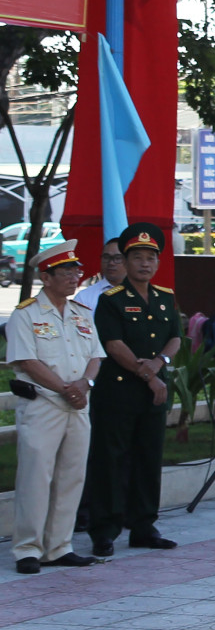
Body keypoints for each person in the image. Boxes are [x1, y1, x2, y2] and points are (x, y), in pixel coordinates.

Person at [86, 223, 180, 557]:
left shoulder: (165, 297)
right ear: (125, 262)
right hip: (119, 391)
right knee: (110, 459)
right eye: (137, 257)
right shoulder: (111, 300)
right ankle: (105, 529)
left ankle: (143, 526)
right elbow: (112, 344)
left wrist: (160, 363)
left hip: (152, 394)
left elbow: (175, 337)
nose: (145, 264)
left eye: (150, 258)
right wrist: (148, 374)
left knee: (148, 457)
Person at [8, 241, 103, 573]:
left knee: (71, 476)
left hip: (77, 406)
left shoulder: (82, 314)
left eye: (75, 270)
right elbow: (26, 361)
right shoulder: (26, 314)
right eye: (65, 271)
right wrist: (65, 388)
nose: (74, 276)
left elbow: (95, 356)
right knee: (36, 476)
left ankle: (59, 546)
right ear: (46, 278)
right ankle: (27, 549)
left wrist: (85, 385)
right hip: (44, 404)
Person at [73, 240, 124, 313]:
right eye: (106, 257)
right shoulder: (84, 296)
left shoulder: (141, 293)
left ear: (127, 260)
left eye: (117, 258)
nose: (111, 263)